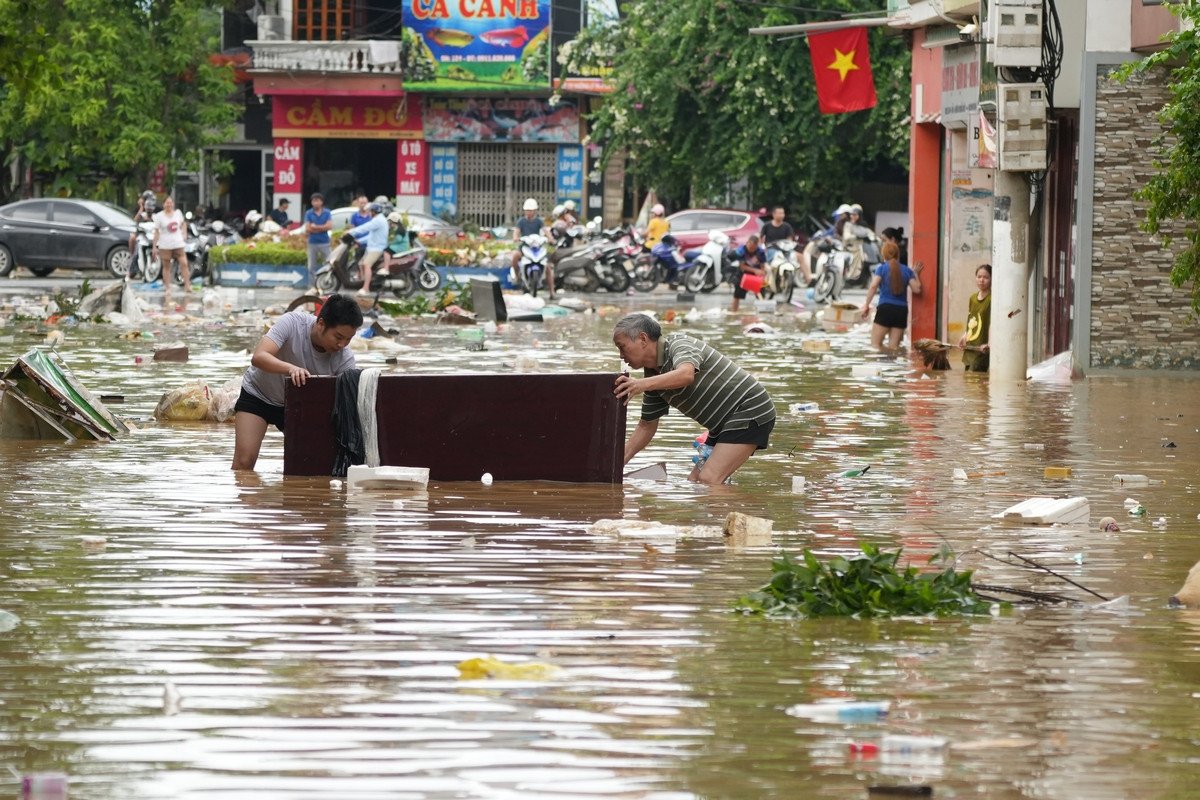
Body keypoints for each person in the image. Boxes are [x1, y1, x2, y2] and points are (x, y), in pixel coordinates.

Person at [612, 313, 776, 486]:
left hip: (749, 409)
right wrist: (614, 465)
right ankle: (726, 510)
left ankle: (746, 511)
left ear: (643, 339)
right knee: (695, 482)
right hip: (722, 426)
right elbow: (646, 426)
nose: (621, 355)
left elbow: (686, 374)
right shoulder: (653, 378)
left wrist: (641, 384)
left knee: (709, 480)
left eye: (622, 347)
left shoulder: (679, 344)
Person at [231, 294, 364, 471]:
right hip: (259, 395)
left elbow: (345, 404)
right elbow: (259, 357)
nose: (342, 344)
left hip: (300, 407)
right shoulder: (292, 322)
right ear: (321, 324)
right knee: (243, 463)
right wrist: (291, 369)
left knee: (310, 468)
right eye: (338, 336)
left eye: (349, 339)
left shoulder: (345, 359)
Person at [859, 241, 923, 351]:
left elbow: (873, 286)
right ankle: (894, 368)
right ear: (897, 254)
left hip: (885, 309)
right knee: (894, 348)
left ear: (883, 255)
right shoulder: (907, 271)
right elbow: (917, 289)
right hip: (901, 311)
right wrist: (915, 274)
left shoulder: (881, 268)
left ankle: (881, 367)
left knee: (875, 345)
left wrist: (867, 305)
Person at [511, 198, 555, 298]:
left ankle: (552, 290)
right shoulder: (521, 221)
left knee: (547, 266)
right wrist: (515, 238)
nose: (529, 212)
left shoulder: (539, 221)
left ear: (535, 211)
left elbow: (546, 231)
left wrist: (550, 238)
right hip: (525, 247)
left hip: (537, 248)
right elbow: (516, 231)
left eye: (531, 210)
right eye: (527, 210)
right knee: (515, 257)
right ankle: (517, 277)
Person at [346, 202, 389, 296]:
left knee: (366, 264)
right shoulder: (378, 220)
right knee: (361, 264)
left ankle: (366, 288)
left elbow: (365, 228)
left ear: (374, 212)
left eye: (370, 211)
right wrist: (359, 241)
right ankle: (364, 283)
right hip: (371, 248)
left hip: (377, 248)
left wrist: (350, 232)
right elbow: (371, 236)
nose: (369, 213)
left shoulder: (378, 221)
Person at [151, 196, 189, 293]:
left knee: (184, 264)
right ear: (163, 204)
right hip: (165, 244)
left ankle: (187, 286)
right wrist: (154, 246)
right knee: (167, 266)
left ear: (173, 204)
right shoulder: (159, 216)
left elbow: (183, 224)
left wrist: (184, 234)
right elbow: (156, 232)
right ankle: (168, 288)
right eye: (167, 203)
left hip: (178, 243)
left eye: (170, 203)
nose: (169, 205)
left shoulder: (178, 214)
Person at [959, 263, 992, 371]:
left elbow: (992, 324)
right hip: (970, 347)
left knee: (976, 381)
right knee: (968, 381)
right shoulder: (972, 298)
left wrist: (989, 344)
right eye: (979, 277)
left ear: (992, 279)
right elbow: (971, 321)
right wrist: (964, 337)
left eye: (986, 277)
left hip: (982, 349)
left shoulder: (992, 299)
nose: (982, 280)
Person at [731, 234, 768, 313]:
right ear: (747, 243)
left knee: (760, 293)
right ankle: (734, 312)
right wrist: (754, 270)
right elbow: (742, 266)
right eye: (750, 248)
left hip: (757, 272)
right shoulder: (741, 251)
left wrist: (762, 274)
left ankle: (761, 312)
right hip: (744, 271)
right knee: (737, 294)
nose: (751, 250)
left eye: (754, 249)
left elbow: (762, 265)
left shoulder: (760, 252)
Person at [304, 193, 333, 288]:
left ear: (322, 202)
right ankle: (312, 286)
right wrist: (322, 227)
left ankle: (327, 284)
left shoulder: (327, 212)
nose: (315, 203)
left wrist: (315, 227)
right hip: (312, 242)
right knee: (311, 266)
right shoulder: (309, 213)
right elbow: (308, 229)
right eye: (313, 201)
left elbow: (329, 226)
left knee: (328, 264)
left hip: (325, 242)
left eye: (317, 200)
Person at [127, 190, 156, 274]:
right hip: (142, 232)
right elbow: (136, 220)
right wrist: (141, 207)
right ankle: (132, 256)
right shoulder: (140, 210)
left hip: (152, 233)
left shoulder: (155, 210)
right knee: (133, 237)